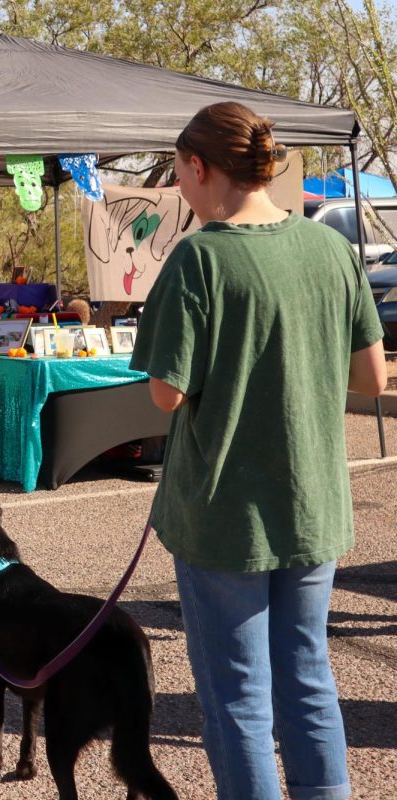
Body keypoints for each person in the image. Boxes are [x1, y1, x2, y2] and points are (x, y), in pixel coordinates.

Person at [132, 101, 386, 800]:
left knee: (237, 694)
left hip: (225, 516)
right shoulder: (331, 249)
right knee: (307, 674)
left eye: (180, 172)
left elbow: (166, 395)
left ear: (199, 166)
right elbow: (372, 377)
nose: (180, 187)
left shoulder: (199, 259)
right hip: (312, 505)